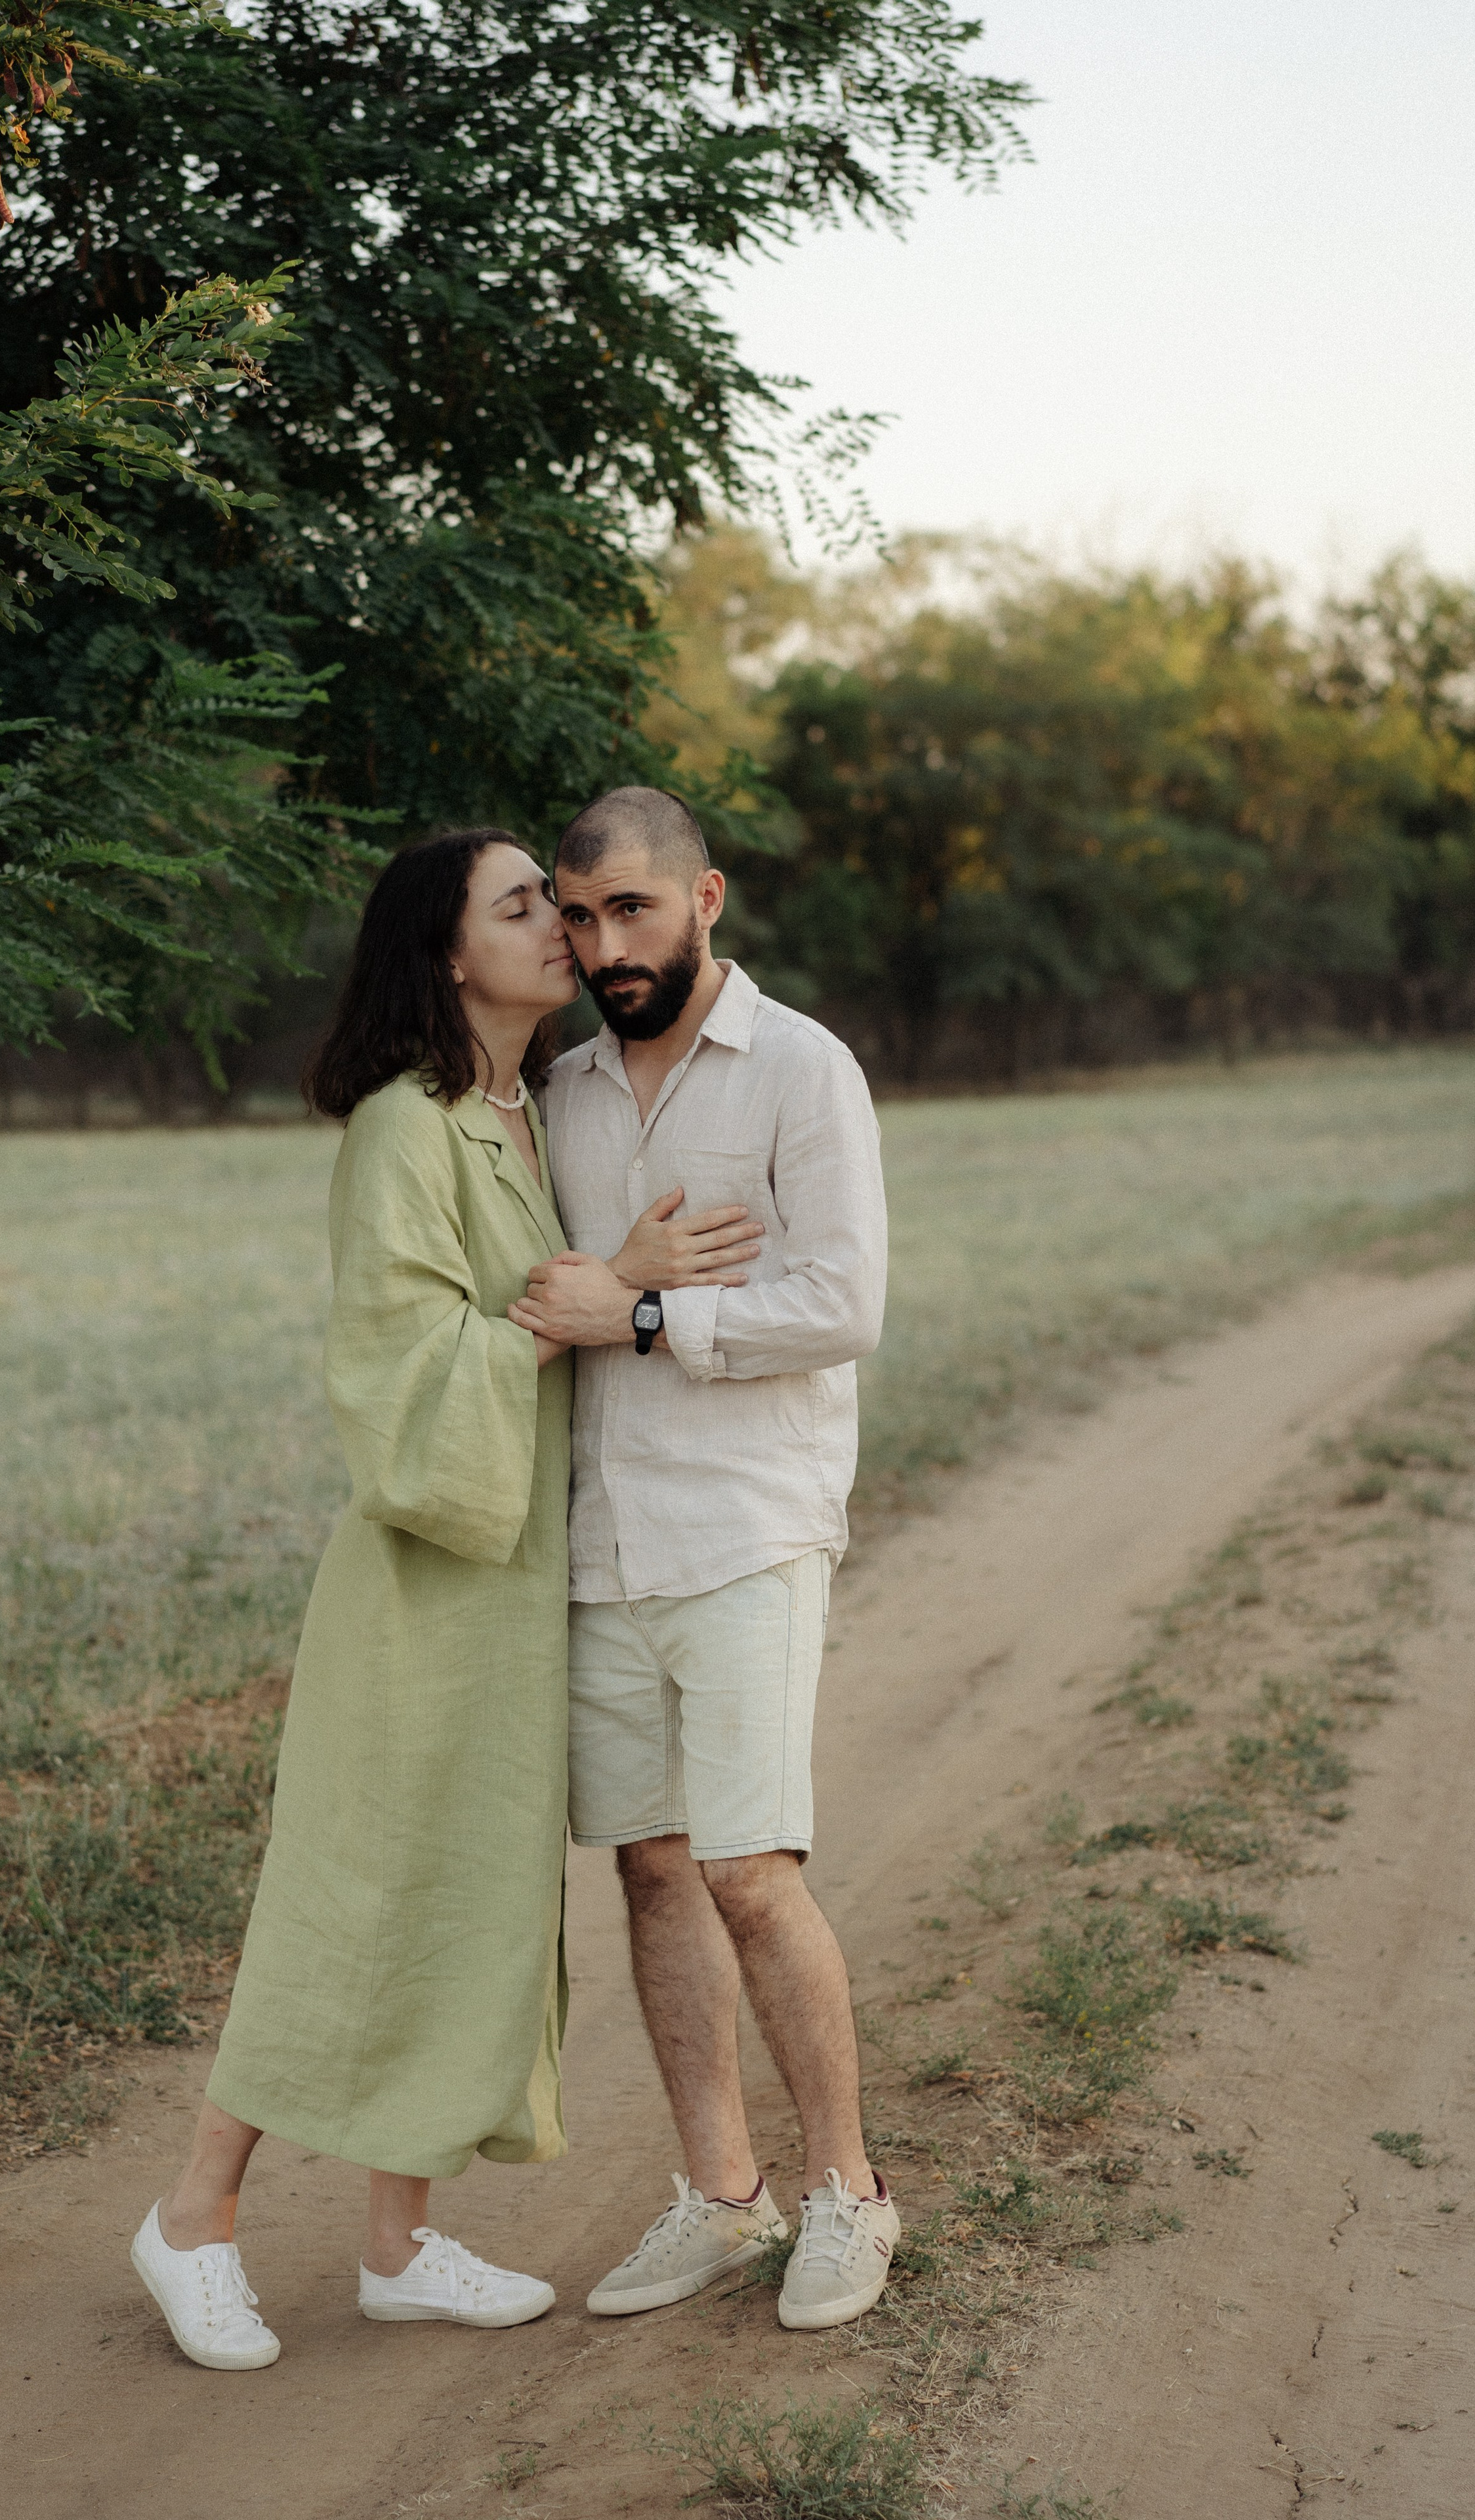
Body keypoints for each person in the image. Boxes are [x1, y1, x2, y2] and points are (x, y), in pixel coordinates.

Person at [130, 830, 758, 2372]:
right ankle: (192, 2220)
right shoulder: (401, 1130)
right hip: (419, 1584)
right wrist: (607, 1285)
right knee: (351, 1898)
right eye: (522, 905)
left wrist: (606, 1289)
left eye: (562, 901)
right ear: (447, 953)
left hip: (515, 1583)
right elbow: (398, 1378)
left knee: (469, 1902)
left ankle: (398, 2246)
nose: (563, 926)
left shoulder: (526, 1111)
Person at [509, 786, 896, 2333]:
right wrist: (610, 1299)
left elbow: (842, 1304)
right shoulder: (562, 1089)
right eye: (579, 916)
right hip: (604, 1537)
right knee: (653, 1869)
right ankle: (724, 2201)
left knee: (747, 1870)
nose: (605, 945)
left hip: (747, 1525)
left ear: (705, 899)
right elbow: (553, 1294)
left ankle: (849, 2196)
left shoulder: (801, 1067)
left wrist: (653, 1315)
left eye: (633, 910)